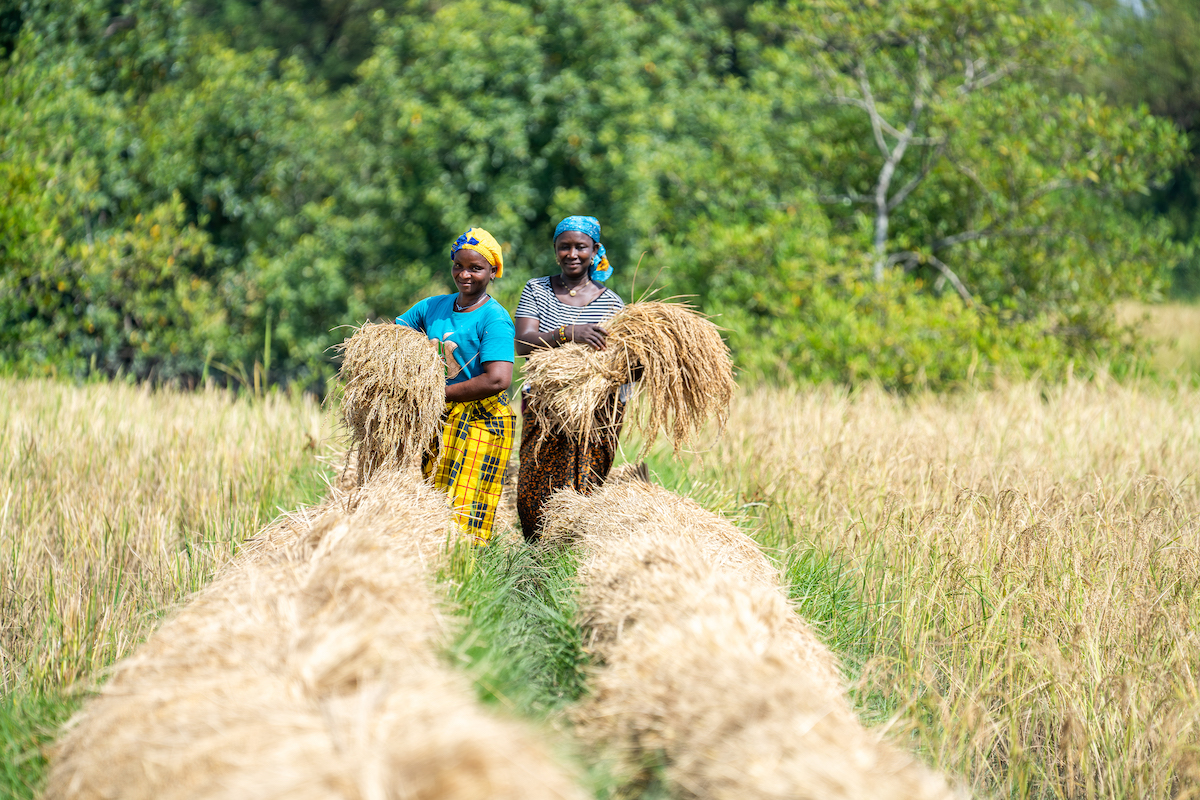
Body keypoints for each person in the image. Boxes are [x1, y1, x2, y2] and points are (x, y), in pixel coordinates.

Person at [396, 227, 515, 543]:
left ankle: (467, 571)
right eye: (458, 266)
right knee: (432, 496)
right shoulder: (433, 307)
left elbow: (498, 379)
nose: (465, 274)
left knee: (465, 504)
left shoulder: (494, 318)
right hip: (439, 419)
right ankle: (435, 567)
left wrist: (438, 393)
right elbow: (395, 335)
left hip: (481, 422)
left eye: (476, 268)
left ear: (492, 272)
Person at [514, 215, 626, 541]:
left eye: (581, 247)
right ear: (555, 250)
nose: (572, 254)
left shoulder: (612, 303)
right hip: (544, 404)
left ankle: (571, 556)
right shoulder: (537, 290)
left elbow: (618, 363)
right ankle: (536, 554)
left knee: (585, 484)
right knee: (533, 486)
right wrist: (569, 332)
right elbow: (523, 343)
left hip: (592, 411)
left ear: (595, 250)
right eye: (565, 246)